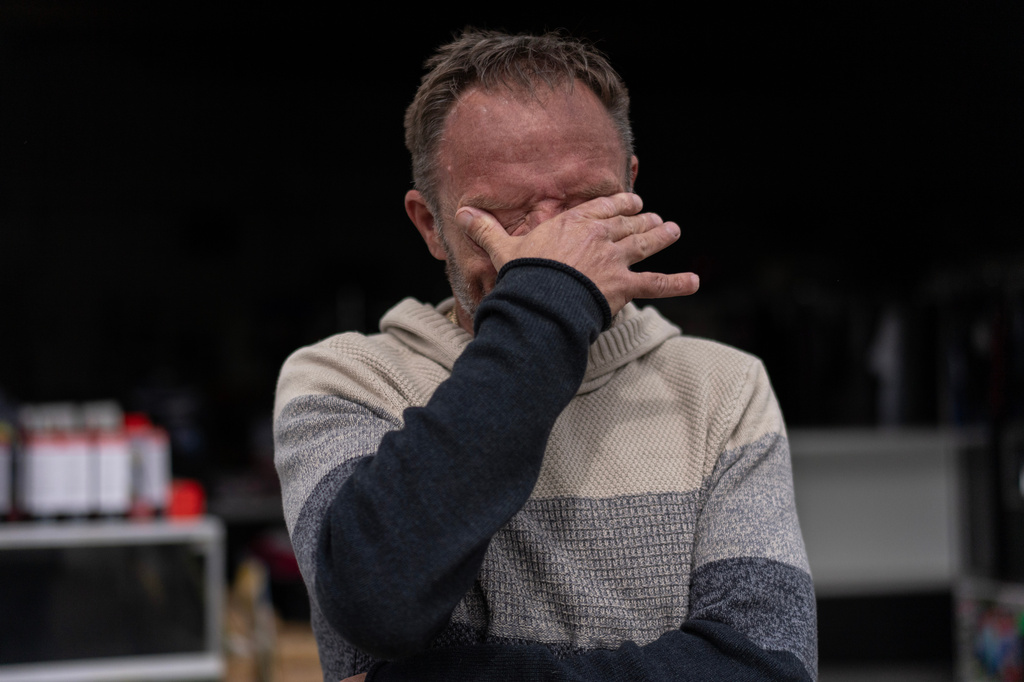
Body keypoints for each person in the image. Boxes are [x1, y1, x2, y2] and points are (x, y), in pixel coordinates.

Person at [274, 29, 817, 682]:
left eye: (586, 206)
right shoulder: (342, 381)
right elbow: (377, 602)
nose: (553, 246)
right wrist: (548, 308)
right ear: (430, 225)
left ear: (631, 183)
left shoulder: (723, 389)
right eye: (507, 215)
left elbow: (767, 670)